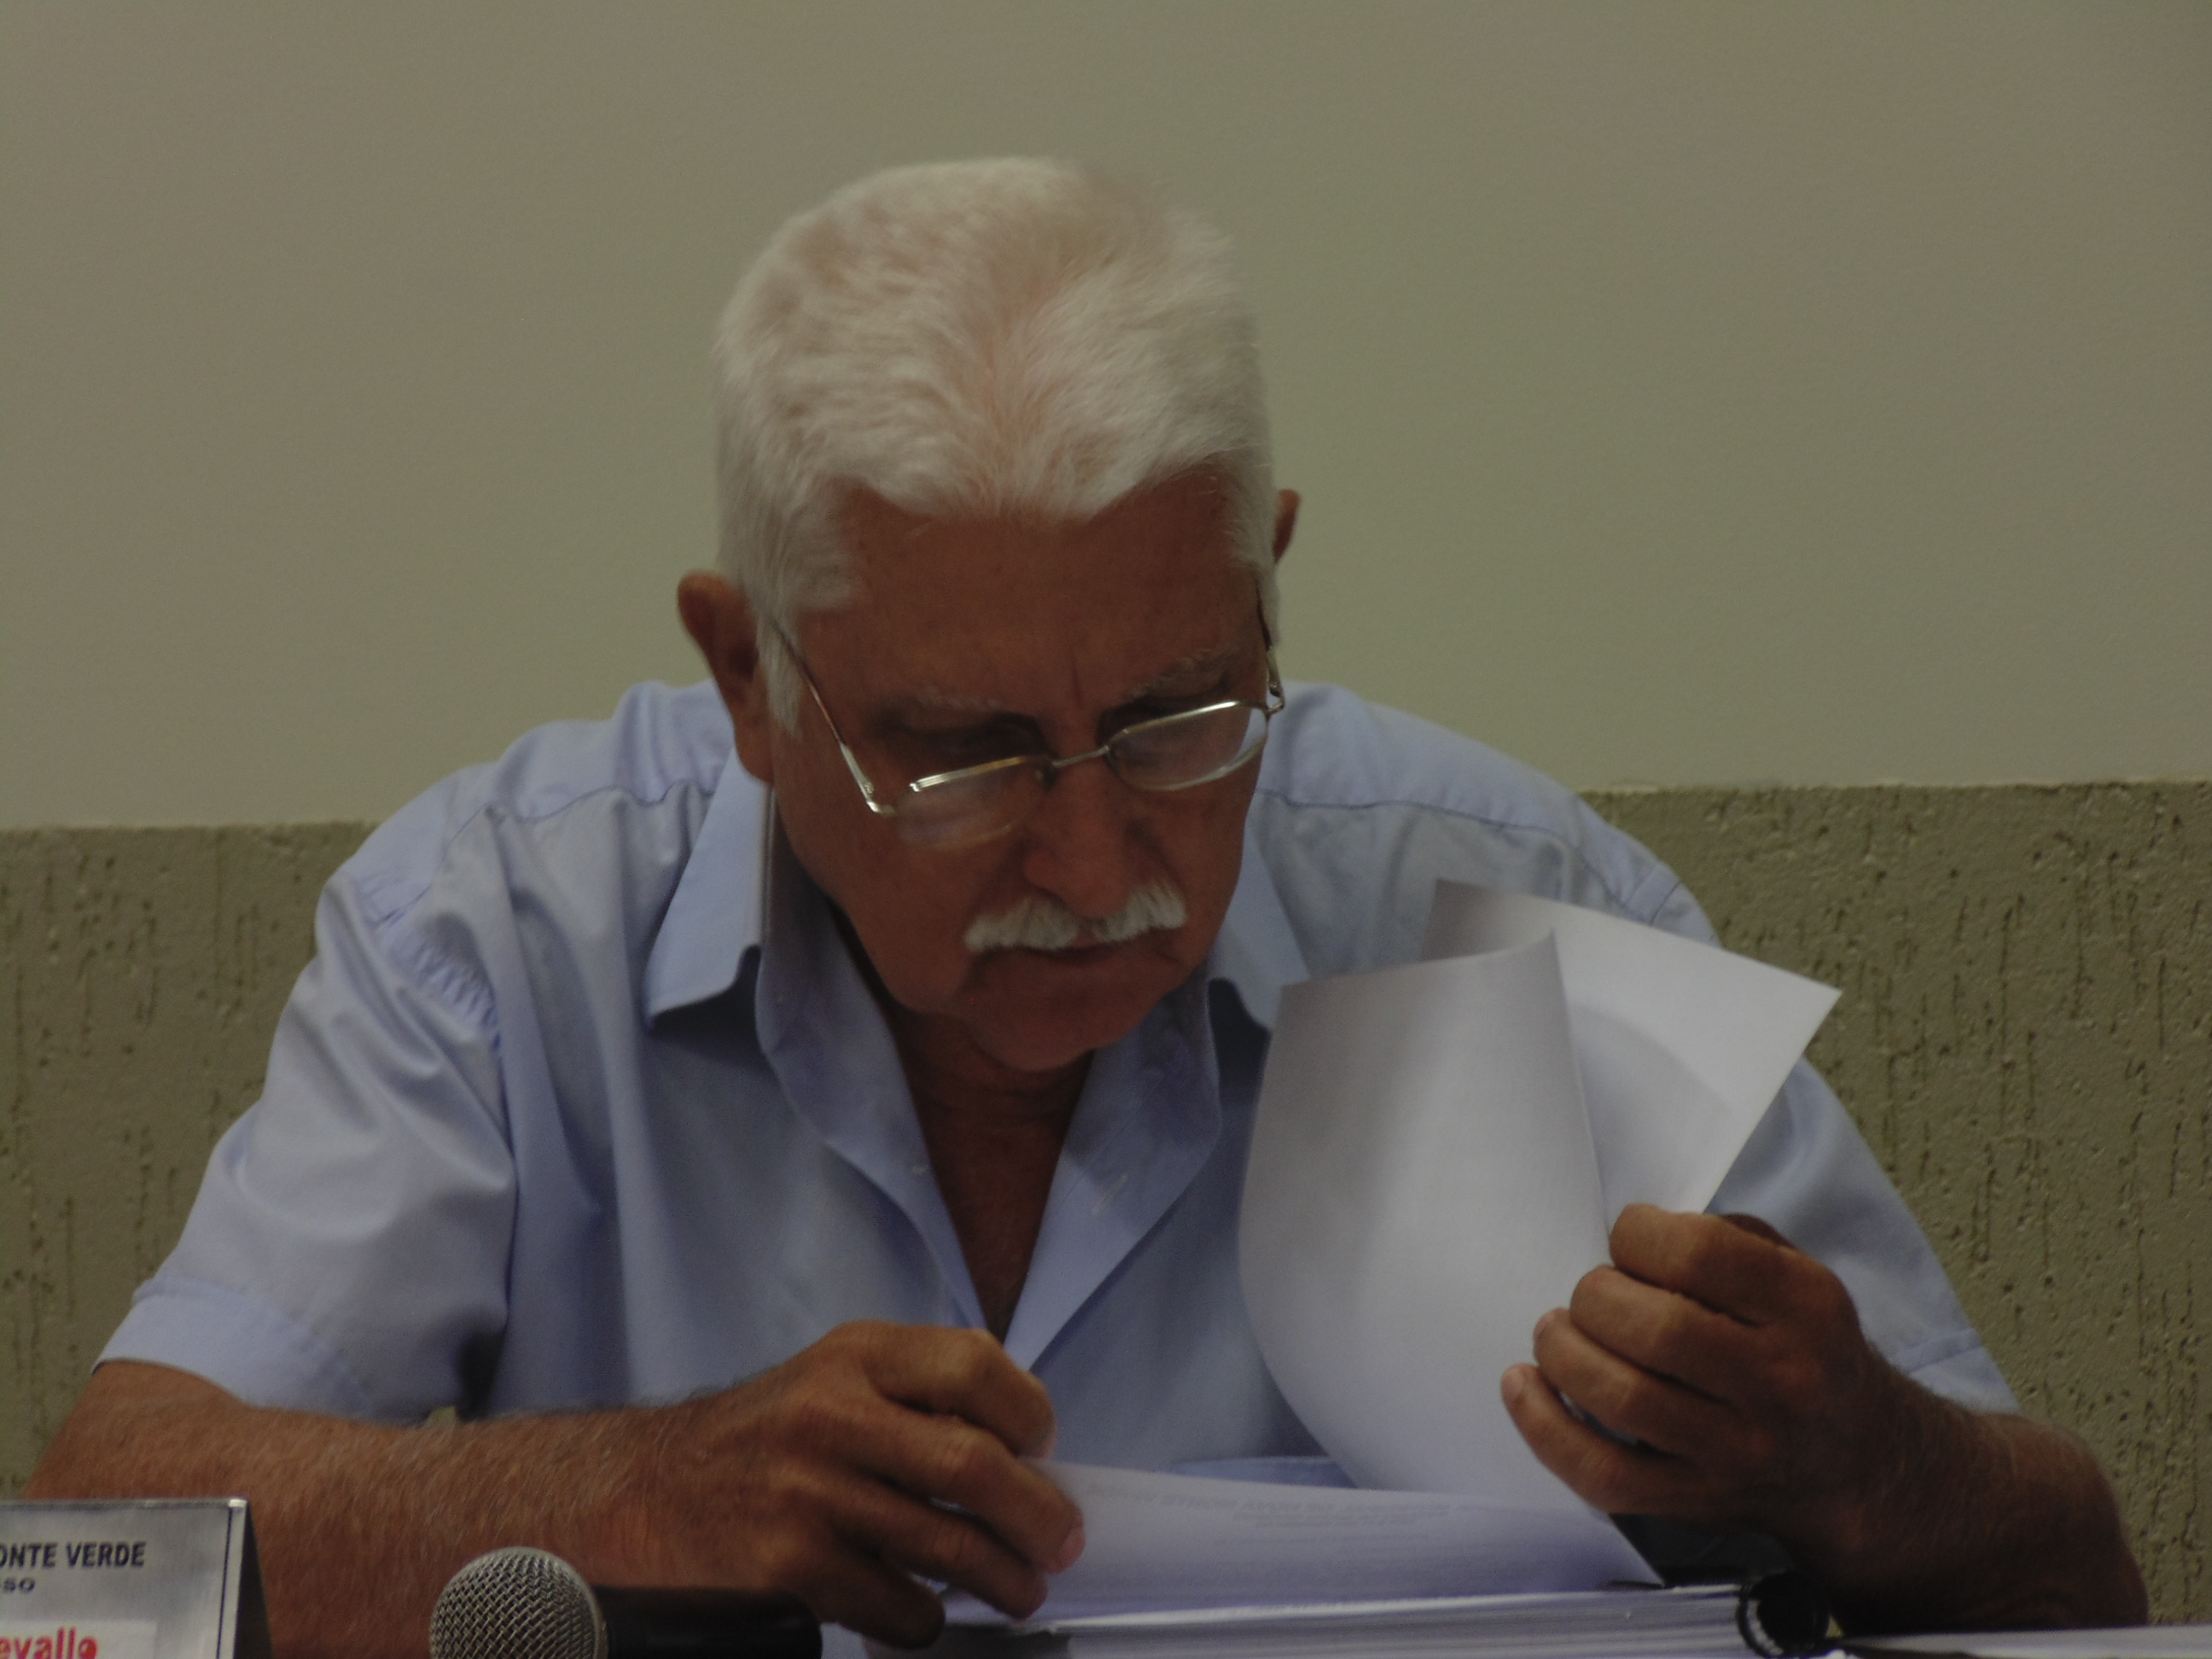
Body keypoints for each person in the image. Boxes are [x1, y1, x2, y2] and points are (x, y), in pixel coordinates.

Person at [30, 159, 2144, 1656]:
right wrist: (635, 1492)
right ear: (749, 677)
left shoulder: (1504, 901)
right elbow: (99, 1562)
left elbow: (2078, 1588)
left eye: (1177, 718)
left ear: (1268, 582)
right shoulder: (500, 931)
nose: (1094, 864)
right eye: (959, 756)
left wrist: (1857, 1454)